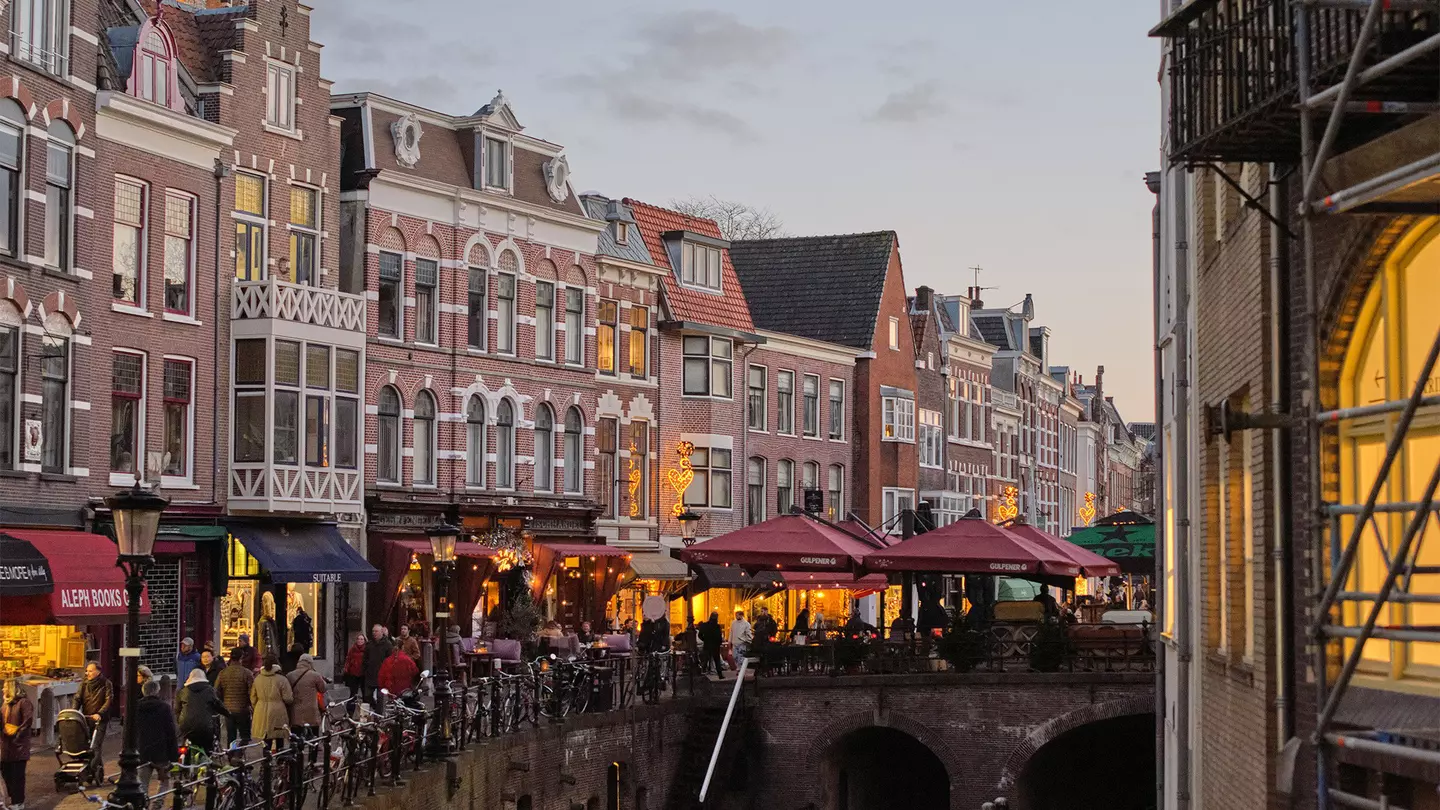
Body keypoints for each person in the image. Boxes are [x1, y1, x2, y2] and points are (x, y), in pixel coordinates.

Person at [135, 678, 178, 808]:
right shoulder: (164, 707)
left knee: (142, 782)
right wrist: (173, 756)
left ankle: (143, 804)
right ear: (157, 692)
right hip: (161, 750)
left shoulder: (135, 707)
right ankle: (157, 804)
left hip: (143, 750)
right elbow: (171, 732)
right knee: (164, 780)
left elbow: (130, 730)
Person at [176, 669, 228, 753]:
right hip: (205, 725)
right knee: (207, 748)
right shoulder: (209, 690)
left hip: (186, 725)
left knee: (186, 746)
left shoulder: (182, 691)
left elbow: (177, 709)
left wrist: (180, 721)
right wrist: (228, 714)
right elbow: (218, 706)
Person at [1, 677, 34, 810]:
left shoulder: (24, 702)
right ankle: (13, 797)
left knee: (17, 775)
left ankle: (18, 801)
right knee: (6, 772)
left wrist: (17, 734)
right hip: (5, 745)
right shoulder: (5, 704)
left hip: (18, 745)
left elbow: (27, 721)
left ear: (11, 688)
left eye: (5, 687)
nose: (3, 689)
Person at [250, 654, 293, 750]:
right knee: (279, 735)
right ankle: (279, 759)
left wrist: (257, 706)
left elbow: (253, 697)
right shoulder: (282, 679)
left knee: (265, 736)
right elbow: (288, 698)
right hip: (278, 709)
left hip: (260, 709)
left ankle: (266, 759)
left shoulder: (258, 679)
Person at [214, 648, 254, 747]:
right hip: (243, 709)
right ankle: (240, 754)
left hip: (228, 709)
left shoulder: (223, 673)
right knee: (245, 736)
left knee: (231, 736)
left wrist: (222, 703)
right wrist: (251, 705)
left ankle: (232, 753)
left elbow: (216, 690)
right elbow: (252, 692)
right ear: (241, 658)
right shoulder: (247, 673)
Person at [285, 654, 326, 739]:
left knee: (296, 735)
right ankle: (313, 749)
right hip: (311, 709)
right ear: (310, 663)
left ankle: (297, 751)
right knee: (314, 735)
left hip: (296, 709)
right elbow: (323, 689)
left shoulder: (290, 675)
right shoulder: (315, 675)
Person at [77, 662, 113, 758]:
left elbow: (108, 700)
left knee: (95, 745)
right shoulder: (84, 684)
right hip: (87, 717)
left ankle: (94, 768)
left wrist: (100, 713)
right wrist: (74, 711)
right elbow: (77, 698)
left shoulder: (106, 683)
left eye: (90, 671)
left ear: (98, 672)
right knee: (84, 745)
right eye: (86, 671)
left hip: (100, 719)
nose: (87, 673)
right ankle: (95, 767)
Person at [362, 624, 392, 703]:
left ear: (382, 632)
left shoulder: (387, 644)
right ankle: (371, 709)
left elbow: (390, 659)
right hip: (370, 674)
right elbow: (365, 658)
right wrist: (366, 668)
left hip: (381, 675)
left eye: (376, 631)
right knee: (367, 696)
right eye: (373, 631)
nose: (374, 633)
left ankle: (378, 714)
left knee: (380, 697)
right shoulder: (369, 644)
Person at [698, 611, 724, 676]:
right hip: (715, 645)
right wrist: (719, 642)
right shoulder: (717, 626)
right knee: (716, 660)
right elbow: (719, 636)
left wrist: (704, 639)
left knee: (706, 659)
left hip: (707, 644)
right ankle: (719, 674)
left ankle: (703, 672)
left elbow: (700, 635)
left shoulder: (704, 625)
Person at [342, 633, 366, 701]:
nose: (359, 641)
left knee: (365, 693)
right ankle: (350, 710)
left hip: (363, 674)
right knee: (353, 693)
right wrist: (346, 668)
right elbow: (348, 659)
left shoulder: (367, 649)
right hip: (353, 673)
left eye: (361, 639)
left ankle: (365, 709)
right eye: (358, 639)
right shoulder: (352, 649)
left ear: (364, 640)